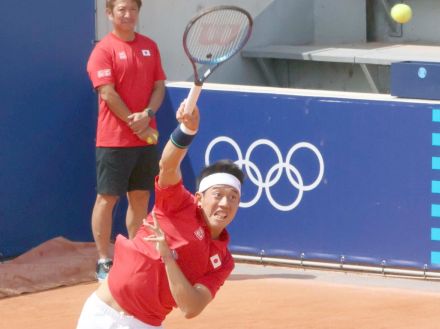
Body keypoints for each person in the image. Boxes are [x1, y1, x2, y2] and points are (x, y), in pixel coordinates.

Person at [76, 100, 245, 329]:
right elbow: (167, 166)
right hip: (102, 314)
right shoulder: (178, 204)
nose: (225, 203)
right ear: (199, 198)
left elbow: (191, 308)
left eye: (233, 197)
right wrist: (187, 130)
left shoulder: (223, 261)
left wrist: (168, 257)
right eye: (218, 194)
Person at [86, 0, 166, 281]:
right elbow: (107, 93)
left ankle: (136, 252)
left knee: (141, 197)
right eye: (121, 9)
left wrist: (148, 114)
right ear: (109, 14)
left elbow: (158, 87)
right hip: (113, 141)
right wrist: (136, 122)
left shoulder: (150, 46)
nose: (128, 14)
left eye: (132, 9)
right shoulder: (103, 51)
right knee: (107, 198)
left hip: (144, 140)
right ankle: (104, 260)